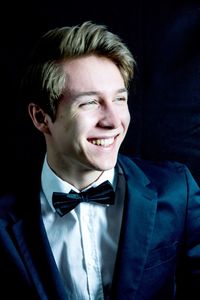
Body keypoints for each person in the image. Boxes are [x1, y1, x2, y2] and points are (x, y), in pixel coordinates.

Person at [0, 21, 200, 300]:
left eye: (119, 99)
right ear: (41, 118)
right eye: (90, 103)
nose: (113, 121)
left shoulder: (178, 191)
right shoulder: (3, 217)